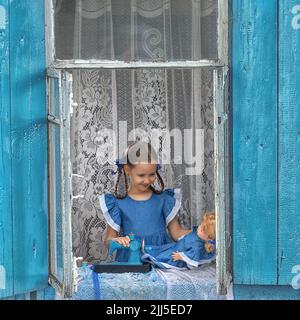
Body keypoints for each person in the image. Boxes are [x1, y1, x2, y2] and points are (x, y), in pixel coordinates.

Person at [99, 141, 191, 262]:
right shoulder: (117, 203)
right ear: (127, 169)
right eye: (141, 175)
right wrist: (116, 240)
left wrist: (201, 233)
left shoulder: (164, 200)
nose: (147, 180)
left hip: (160, 258)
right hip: (130, 260)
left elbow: (176, 233)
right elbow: (108, 239)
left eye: (152, 174)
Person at [141, 213, 216, 269]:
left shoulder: (198, 246)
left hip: (178, 253)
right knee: (163, 249)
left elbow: (193, 257)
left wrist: (181, 256)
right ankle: (147, 250)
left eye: (202, 229)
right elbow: (188, 237)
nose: (199, 228)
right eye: (200, 225)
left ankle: (150, 256)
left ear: (209, 237)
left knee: (165, 257)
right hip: (177, 246)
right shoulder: (197, 235)